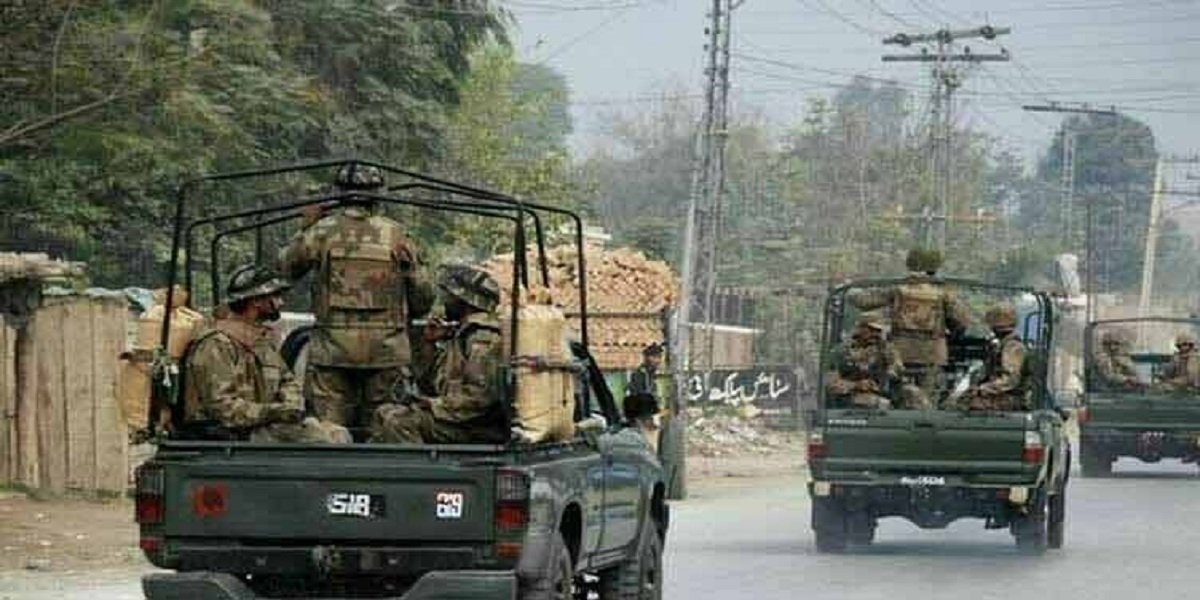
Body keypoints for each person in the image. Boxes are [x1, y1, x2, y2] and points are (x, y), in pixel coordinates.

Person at [278, 164, 435, 431]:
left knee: (328, 433)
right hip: (386, 355)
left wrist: (305, 227)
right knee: (386, 430)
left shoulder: (322, 232)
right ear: (378, 195)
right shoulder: (398, 235)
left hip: (331, 354)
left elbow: (284, 270)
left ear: (339, 193)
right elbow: (422, 301)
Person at [182, 265, 351, 443]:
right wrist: (276, 411)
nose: (281, 303)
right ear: (256, 301)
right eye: (275, 296)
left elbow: (287, 380)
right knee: (318, 438)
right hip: (227, 435)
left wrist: (292, 404)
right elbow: (223, 409)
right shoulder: (215, 344)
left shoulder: (261, 341)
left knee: (337, 433)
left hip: (261, 427)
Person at [370, 265, 508, 444]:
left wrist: (432, 405)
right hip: (458, 419)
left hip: (476, 426)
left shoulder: (482, 337)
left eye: (450, 296)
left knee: (400, 423)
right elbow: (429, 384)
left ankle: (418, 463)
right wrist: (428, 343)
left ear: (465, 300)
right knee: (383, 412)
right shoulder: (461, 334)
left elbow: (480, 398)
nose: (445, 302)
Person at [851, 248, 970, 407]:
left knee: (899, 396)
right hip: (932, 355)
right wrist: (953, 333)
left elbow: (864, 301)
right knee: (929, 400)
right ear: (935, 266)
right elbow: (961, 322)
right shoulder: (944, 291)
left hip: (899, 354)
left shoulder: (899, 287)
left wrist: (850, 290)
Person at [958, 304, 1031, 412]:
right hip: (1003, 396)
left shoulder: (1012, 346)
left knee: (963, 405)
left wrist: (983, 389)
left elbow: (1010, 380)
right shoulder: (1003, 345)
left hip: (1011, 399)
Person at [826, 315, 906, 410]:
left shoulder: (885, 348)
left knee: (912, 394)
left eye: (878, 331)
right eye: (871, 330)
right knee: (876, 403)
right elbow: (831, 384)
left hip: (881, 393)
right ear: (860, 328)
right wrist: (856, 385)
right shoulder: (841, 352)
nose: (875, 334)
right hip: (850, 397)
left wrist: (888, 375)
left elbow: (898, 368)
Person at [625, 342, 664, 425]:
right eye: (655, 357)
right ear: (646, 358)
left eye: (659, 357)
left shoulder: (652, 375)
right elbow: (641, 398)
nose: (658, 361)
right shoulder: (640, 374)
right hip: (643, 417)